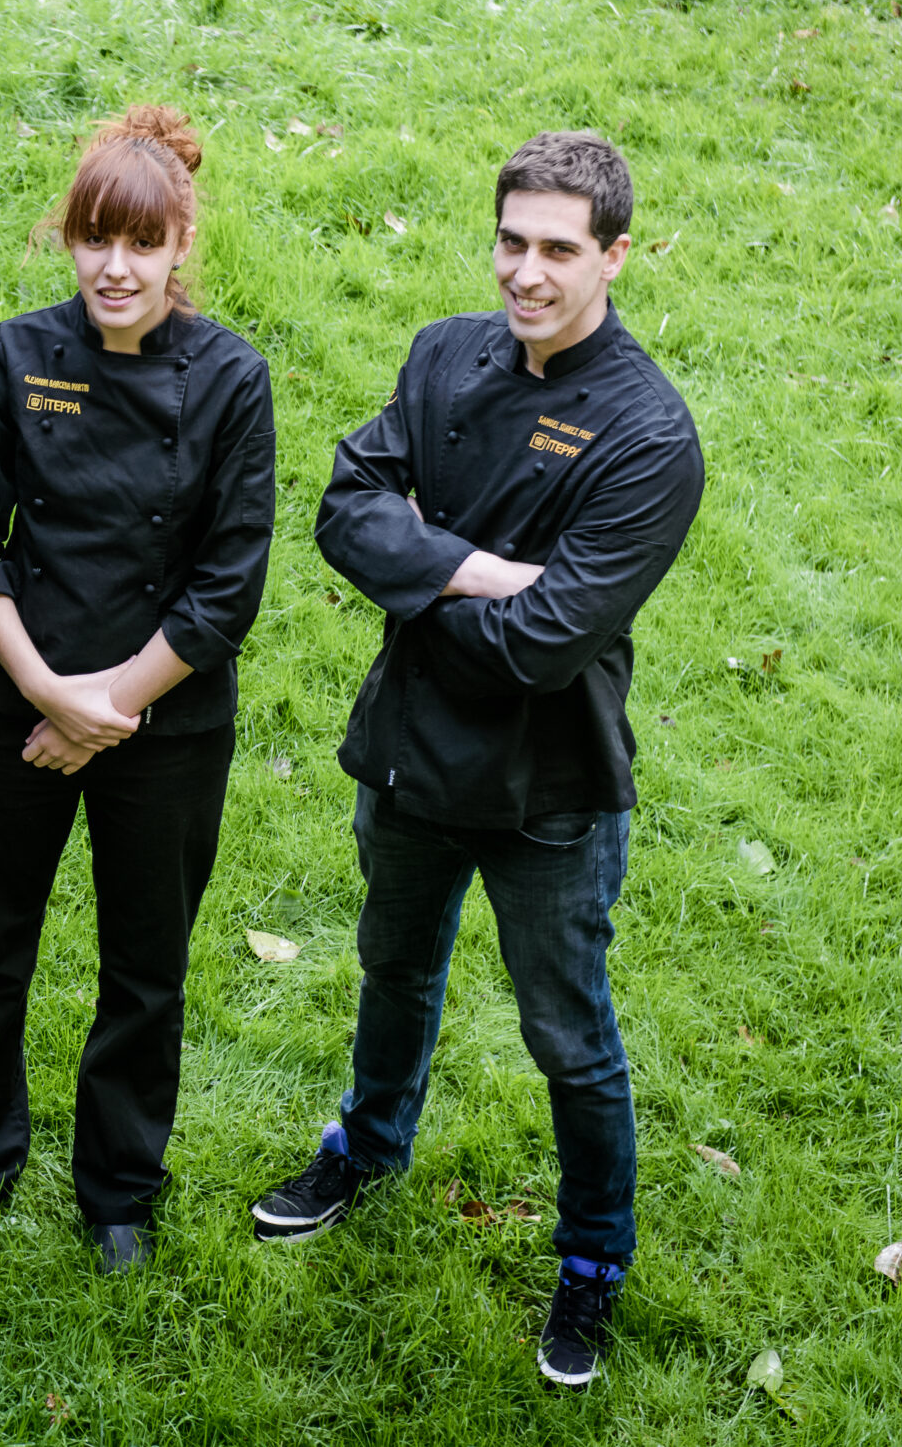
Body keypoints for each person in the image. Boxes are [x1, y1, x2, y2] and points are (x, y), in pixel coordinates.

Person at [249, 131, 704, 1387]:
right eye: (511, 240)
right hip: (408, 757)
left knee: (568, 1035)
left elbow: (544, 647)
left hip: (546, 791)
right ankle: (367, 1145)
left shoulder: (648, 436)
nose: (526, 272)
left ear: (615, 255)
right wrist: (484, 570)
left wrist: (419, 571)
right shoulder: (444, 354)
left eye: (558, 248)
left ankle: (592, 1259)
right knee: (393, 969)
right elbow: (344, 507)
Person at [0, 107, 274, 1271]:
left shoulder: (231, 379)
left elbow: (226, 586)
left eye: (141, 243)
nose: (114, 268)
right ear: (67, 239)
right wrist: (42, 689)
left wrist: (105, 707)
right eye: (93, 240)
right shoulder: (19, 354)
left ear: (181, 245)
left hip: (165, 722)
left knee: (145, 967)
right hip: (9, 708)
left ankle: (119, 1189)